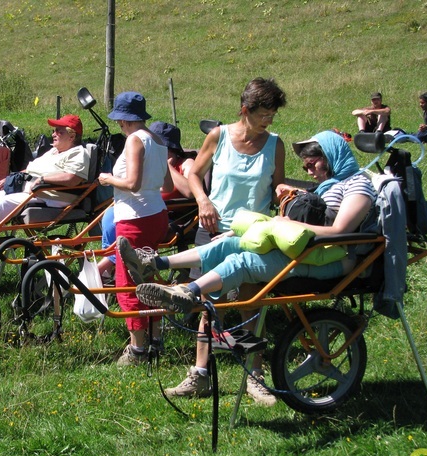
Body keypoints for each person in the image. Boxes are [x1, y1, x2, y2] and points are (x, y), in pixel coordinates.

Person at [118, 130, 377, 400]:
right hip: (294, 248)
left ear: (331, 156)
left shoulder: (356, 184)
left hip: (328, 259)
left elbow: (340, 230)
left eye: (313, 164)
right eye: (305, 166)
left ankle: (253, 372)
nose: (309, 171)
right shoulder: (326, 184)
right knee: (227, 249)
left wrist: (285, 222)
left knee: (245, 284)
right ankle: (154, 264)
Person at [127, 77, 287, 403]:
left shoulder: (275, 144)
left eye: (272, 115)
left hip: (251, 234)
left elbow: (277, 188)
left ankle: (254, 376)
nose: (268, 121)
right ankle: (200, 376)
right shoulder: (220, 136)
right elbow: (194, 174)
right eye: (263, 115)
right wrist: (203, 201)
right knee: (206, 305)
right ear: (245, 110)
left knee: (249, 305)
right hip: (213, 227)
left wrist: (285, 197)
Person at [97, 92, 173, 366]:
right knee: (149, 275)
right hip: (156, 216)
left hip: (134, 219)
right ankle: (155, 338)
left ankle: (138, 348)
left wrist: (108, 178)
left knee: (127, 282)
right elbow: (169, 187)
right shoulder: (159, 140)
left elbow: (132, 184)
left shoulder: (134, 140)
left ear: (122, 119)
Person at [96, 121, 197, 277]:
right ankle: (111, 266)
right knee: (110, 216)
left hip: (173, 217)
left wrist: (163, 164)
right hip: (145, 210)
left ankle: (104, 268)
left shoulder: (185, 163)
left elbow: (190, 191)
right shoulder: (146, 158)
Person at [0, 114, 90, 230]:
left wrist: (43, 179)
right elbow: (31, 169)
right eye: (54, 131)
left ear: (72, 136)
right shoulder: (53, 151)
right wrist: (10, 178)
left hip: (53, 195)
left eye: (59, 132)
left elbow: (72, 178)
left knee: (5, 201)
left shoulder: (77, 152)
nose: (53, 134)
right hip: (37, 191)